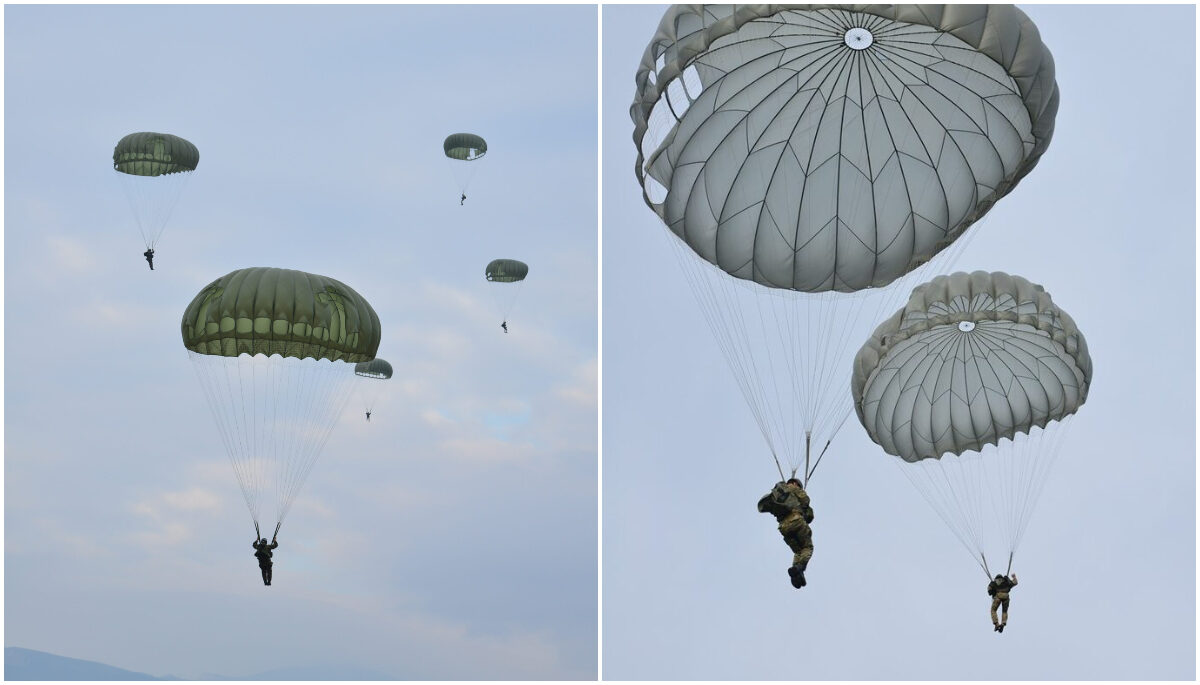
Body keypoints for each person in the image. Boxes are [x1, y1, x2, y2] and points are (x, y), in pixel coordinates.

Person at [757, 478, 814, 589]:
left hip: (784, 528)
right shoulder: (795, 489)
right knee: (807, 547)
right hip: (796, 521)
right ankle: (800, 568)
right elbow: (806, 501)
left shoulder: (776, 493)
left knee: (798, 551)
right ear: (795, 483)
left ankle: (796, 574)